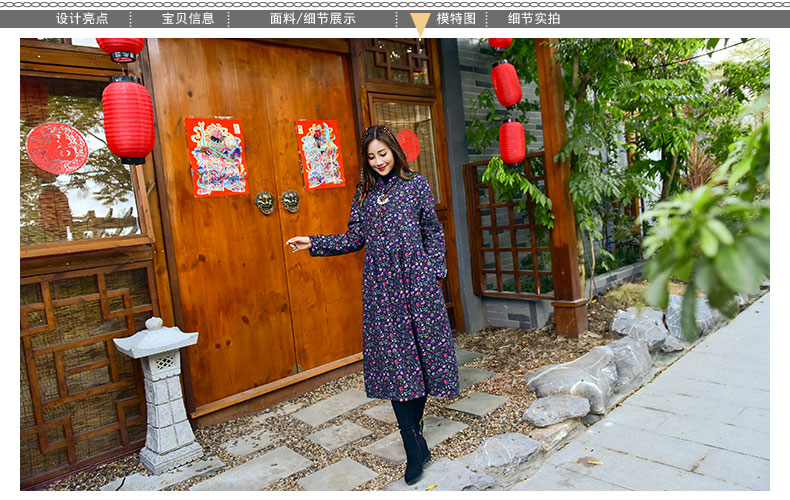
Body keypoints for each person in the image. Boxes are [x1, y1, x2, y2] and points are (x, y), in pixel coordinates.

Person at [286, 125, 460, 485]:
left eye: (383, 153)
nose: (379, 161)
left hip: (418, 286)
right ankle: (412, 444)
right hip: (382, 292)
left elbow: (433, 231)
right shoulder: (364, 193)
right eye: (372, 156)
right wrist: (314, 242)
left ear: (394, 151)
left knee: (422, 362)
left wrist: (432, 272)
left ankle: (417, 433)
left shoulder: (416, 185)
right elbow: (354, 238)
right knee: (398, 366)